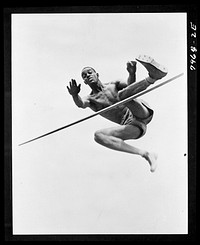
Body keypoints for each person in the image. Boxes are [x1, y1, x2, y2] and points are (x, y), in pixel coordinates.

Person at [67, 55, 168, 172]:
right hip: (134, 127)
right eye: (84, 76)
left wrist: (132, 73)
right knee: (98, 136)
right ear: (84, 82)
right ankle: (146, 154)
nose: (87, 76)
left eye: (89, 72)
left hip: (140, 112)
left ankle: (152, 78)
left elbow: (130, 86)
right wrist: (74, 95)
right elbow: (81, 103)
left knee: (122, 95)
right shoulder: (91, 99)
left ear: (97, 74)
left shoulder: (113, 84)